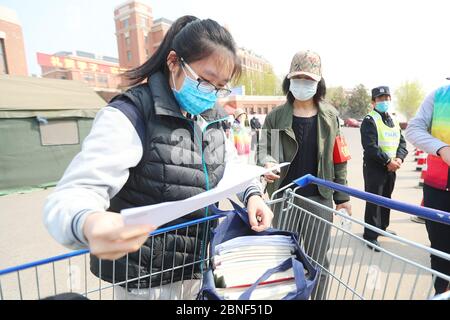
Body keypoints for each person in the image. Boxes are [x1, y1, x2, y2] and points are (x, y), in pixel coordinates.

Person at [43, 16, 273, 300]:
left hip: (200, 268)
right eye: (204, 82)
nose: (211, 95)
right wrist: (88, 222)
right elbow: (74, 192)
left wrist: (252, 195)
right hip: (148, 281)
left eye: (220, 87)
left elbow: (228, 165)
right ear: (174, 62)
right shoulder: (132, 114)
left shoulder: (212, 117)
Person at [257, 50, 352, 300]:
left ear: (318, 82)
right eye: (297, 78)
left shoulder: (330, 117)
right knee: (283, 259)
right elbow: (264, 149)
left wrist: (342, 197)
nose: (303, 84)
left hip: (319, 200)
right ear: (289, 81)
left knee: (318, 260)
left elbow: (339, 159)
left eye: (309, 79)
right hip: (284, 200)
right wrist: (267, 163)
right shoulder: (277, 116)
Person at [405, 80, 450, 295]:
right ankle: (441, 293)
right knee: (440, 249)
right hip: (437, 188)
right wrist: (440, 148)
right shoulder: (438, 96)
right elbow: (413, 129)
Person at [360, 86, 408, 251]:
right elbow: (370, 146)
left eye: (387, 98)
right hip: (375, 167)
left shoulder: (393, 120)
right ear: (373, 102)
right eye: (380, 99)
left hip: (392, 167)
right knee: (375, 200)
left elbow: (402, 142)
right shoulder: (369, 120)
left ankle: (382, 228)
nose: (384, 101)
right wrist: (388, 161)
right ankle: (370, 235)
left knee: (387, 198)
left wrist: (399, 159)